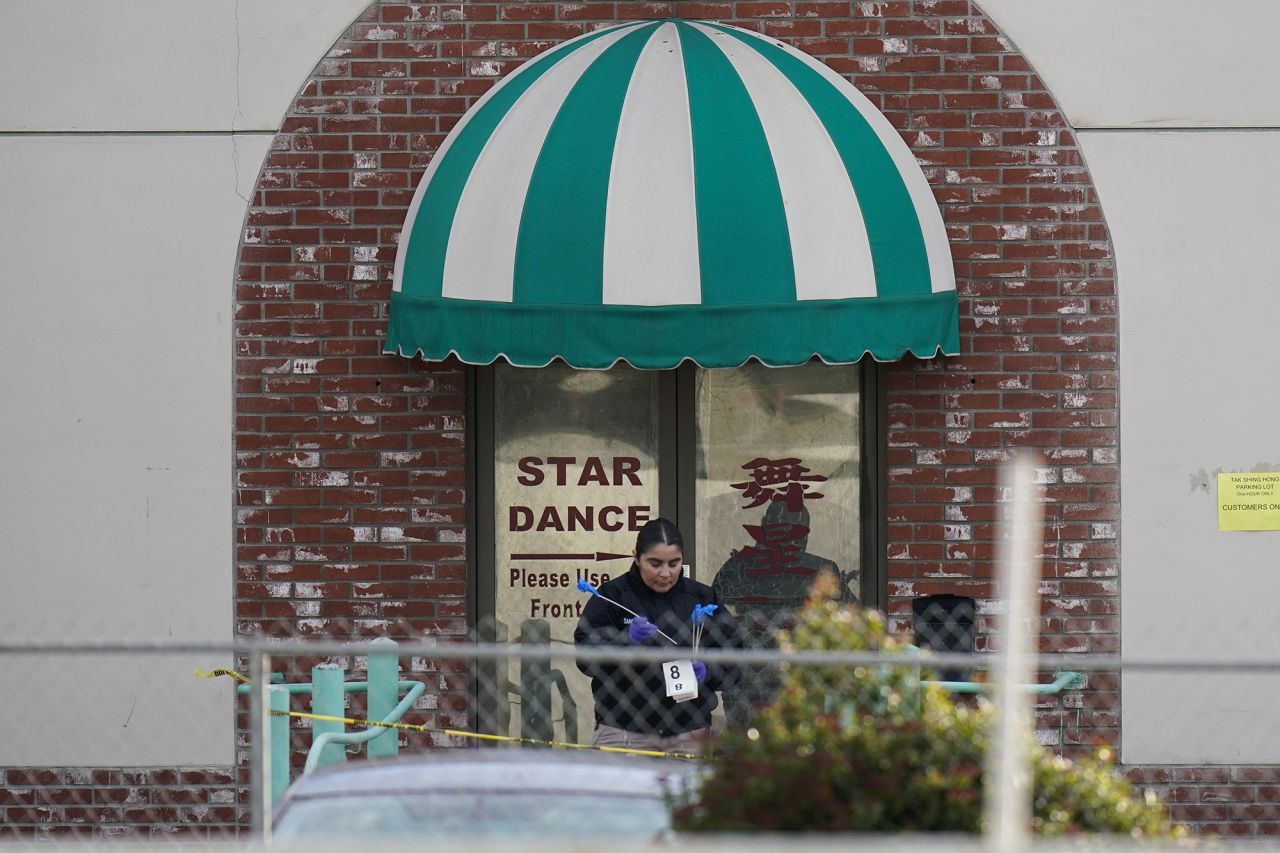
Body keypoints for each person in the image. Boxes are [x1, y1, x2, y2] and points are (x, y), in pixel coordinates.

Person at [574, 518, 740, 755]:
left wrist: (709, 671)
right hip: (624, 731)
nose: (665, 573)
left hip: (689, 732)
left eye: (674, 564)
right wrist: (625, 640)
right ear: (636, 557)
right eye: (655, 563)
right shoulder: (612, 596)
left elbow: (735, 657)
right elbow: (585, 657)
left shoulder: (701, 597)